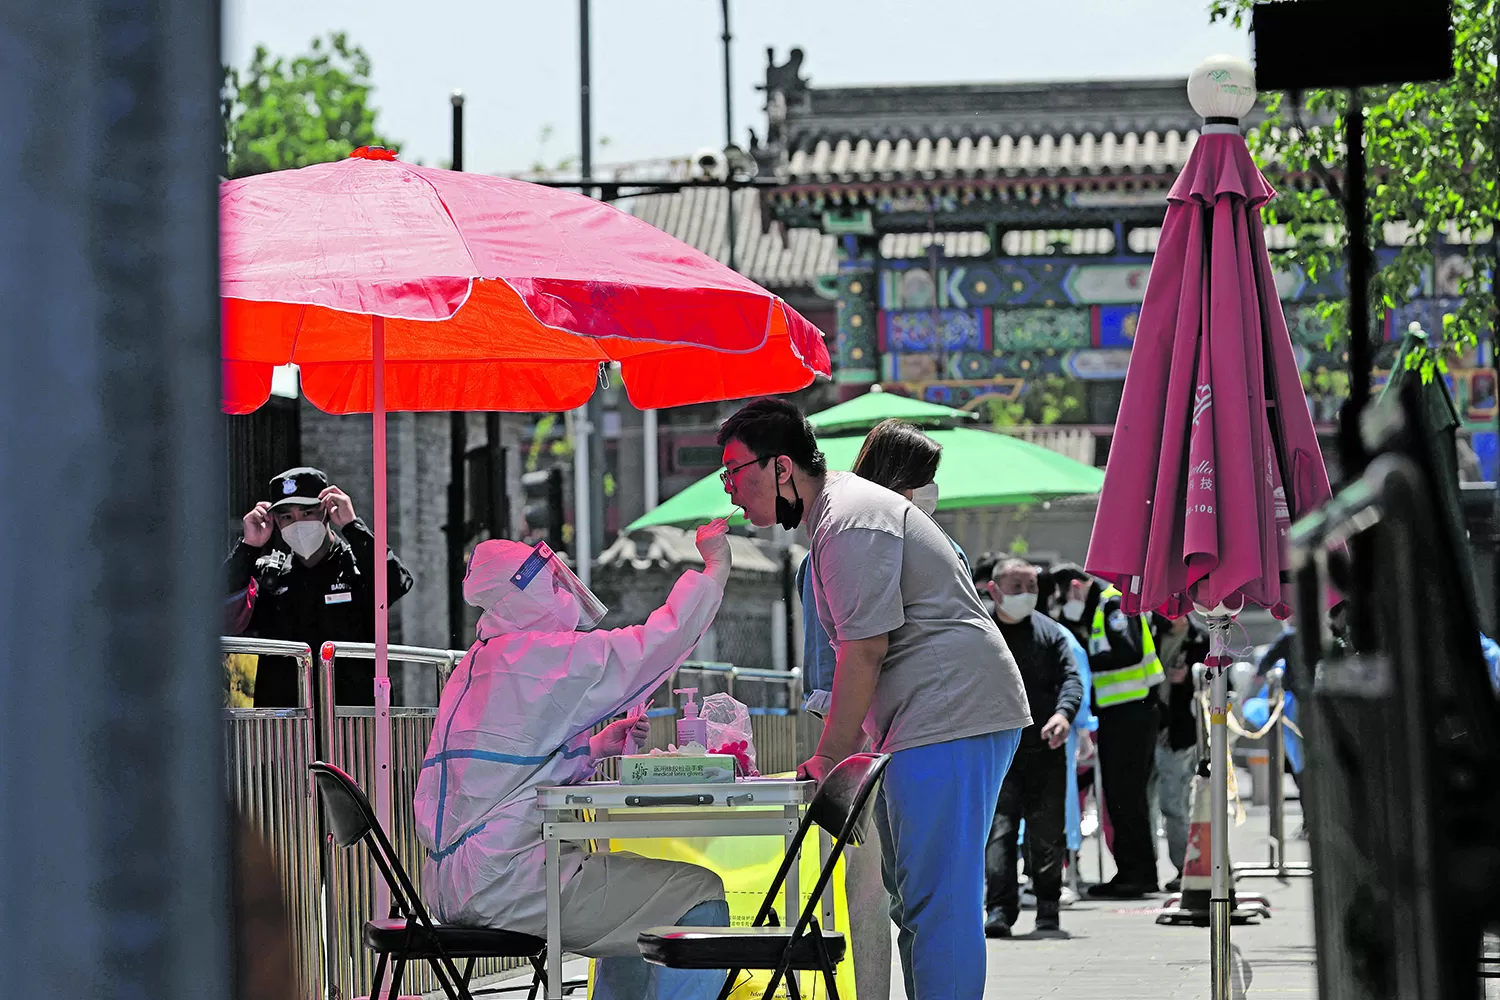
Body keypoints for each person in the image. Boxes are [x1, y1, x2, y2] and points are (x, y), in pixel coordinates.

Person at [719, 398, 1030, 1000]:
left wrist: (829, 759)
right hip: (926, 718)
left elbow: (863, 652)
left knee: (937, 899)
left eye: (736, 470)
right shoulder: (834, 521)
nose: (730, 490)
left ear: (782, 467)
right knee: (917, 900)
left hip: (951, 714)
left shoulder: (851, 519)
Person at [414, 524, 734, 1000]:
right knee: (699, 892)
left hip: (449, 880)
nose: (561, 588)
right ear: (525, 589)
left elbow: (506, 771)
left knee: (630, 906)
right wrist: (714, 569)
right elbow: (651, 644)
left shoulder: (477, 662)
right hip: (505, 880)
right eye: (550, 578)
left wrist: (594, 747)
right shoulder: (533, 654)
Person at [798, 418, 962, 1000]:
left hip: (906, 731)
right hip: (866, 743)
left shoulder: (902, 535)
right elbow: (837, 662)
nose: (931, 492)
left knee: (908, 890)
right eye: (925, 479)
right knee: (887, 890)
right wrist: (836, 750)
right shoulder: (844, 539)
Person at [226, 466, 414, 707]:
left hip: (350, 721)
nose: (298, 523)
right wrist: (249, 547)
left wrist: (352, 526)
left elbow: (397, 582)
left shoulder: (356, 568)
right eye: (287, 517)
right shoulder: (270, 575)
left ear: (326, 511)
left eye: (307, 513)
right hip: (286, 726)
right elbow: (216, 605)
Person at [1045, 562, 1164, 897]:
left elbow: (1129, 650)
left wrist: (1086, 659)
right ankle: (1131, 871)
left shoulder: (1113, 604)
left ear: (1075, 586)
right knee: (1118, 797)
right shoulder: (1098, 608)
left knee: (1127, 797)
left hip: (1133, 713)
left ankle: (1138, 874)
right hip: (1119, 714)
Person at [982, 557, 1082, 937]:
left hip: (1045, 749)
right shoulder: (980, 631)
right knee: (999, 835)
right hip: (996, 752)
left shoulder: (1051, 633)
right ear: (994, 590)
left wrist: (1064, 714)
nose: (1026, 595)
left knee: (1046, 835)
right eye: (1016, 588)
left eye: (1032, 587)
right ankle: (999, 912)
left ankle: (1047, 908)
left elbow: (1071, 679)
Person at [1150, 620, 1206, 892]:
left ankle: (1185, 867)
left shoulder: (1200, 639)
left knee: (1174, 803)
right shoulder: (1149, 632)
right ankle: (1148, 868)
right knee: (1145, 803)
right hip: (1148, 728)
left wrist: (1191, 680)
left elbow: (1222, 683)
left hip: (1180, 735)